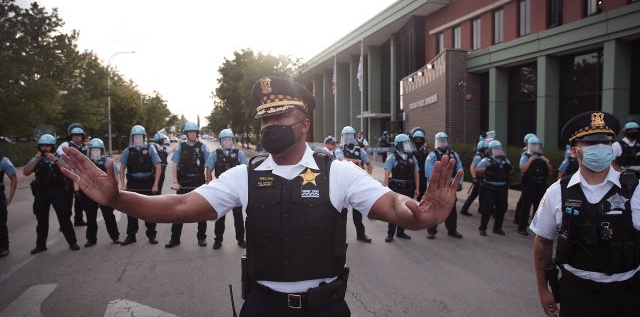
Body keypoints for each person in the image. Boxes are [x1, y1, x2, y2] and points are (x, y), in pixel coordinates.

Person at [61, 76, 462, 316]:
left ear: (303, 123)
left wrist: (422, 215)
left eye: (279, 116)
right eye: (265, 117)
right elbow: (181, 205)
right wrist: (118, 199)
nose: (270, 124)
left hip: (325, 309)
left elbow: (391, 204)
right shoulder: (244, 176)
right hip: (263, 309)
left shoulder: (337, 172)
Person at [531, 111, 640, 317]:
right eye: (590, 143)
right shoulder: (557, 192)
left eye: (606, 142)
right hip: (577, 296)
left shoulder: (635, 190)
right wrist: (543, 289)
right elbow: (542, 243)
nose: (600, 148)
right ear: (574, 151)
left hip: (627, 296)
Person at [23, 134, 80, 254]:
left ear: (52, 147)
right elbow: (25, 172)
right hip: (41, 191)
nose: (45, 148)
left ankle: (72, 242)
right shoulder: (37, 158)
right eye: (43, 146)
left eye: (47, 146)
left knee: (63, 217)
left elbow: (68, 169)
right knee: (41, 219)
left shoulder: (58, 157)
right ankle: (40, 245)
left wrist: (55, 160)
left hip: (57, 190)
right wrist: (36, 161)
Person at [165, 122, 211, 248]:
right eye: (190, 132)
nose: (192, 134)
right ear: (186, 134)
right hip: (183, 182)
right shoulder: (181, 147)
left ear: (197, 133)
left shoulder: (203, 147)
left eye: (194, 132)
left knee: (201, 211)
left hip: (198, 181)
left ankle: (201, 238)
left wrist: (209, 181)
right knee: (179, 212)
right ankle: (175, 239)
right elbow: (174, 165)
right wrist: (175, 182)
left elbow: (209, 165)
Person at [205, 128, 247, 250]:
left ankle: (240, 239)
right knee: (219, 216)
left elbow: (246, 169)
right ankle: (218, 240)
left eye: (229, 139)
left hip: (236, 190)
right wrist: (209, 185)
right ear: (221, 141)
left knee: (238, 217)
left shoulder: (239, 153)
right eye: (224, 140)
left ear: (233, 140)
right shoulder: (215, 154)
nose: (227, 142)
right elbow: (209, 170)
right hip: (221, 190)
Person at [119, 125, 161, 246]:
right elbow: (122, 168)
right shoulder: (128, 150)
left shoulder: (150, 149)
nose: (138, 139)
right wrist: (122, 185)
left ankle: (152, 235)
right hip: (133, 183)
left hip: (147, 183)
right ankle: (131, 236)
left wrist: (155, 184)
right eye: (135, 137)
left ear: (144, 137)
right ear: (132, 138)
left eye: (140, 137)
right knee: (131, 211)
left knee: (150, 211)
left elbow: (158, 166)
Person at [77, 138, 121, 246]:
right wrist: (77, 190)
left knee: (109, 216)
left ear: (102, 151)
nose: (95, 152)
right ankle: (91, 239)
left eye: (98, 150)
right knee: (91, 217)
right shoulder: (85, 162)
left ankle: (115, 236)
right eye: (93, 150)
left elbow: (116, 176)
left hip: (105, 193)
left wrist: (114, 189)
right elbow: (79, 176)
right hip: (90, 193)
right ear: (90, 150)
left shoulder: (107, 161)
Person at [335, 125, 373, 243]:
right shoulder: (338, 150)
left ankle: (361, 235)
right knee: (340, 212)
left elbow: (369, 163)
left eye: (350, 136)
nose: (348, 139)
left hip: (356, 183)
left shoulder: (360, 150)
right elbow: (342, 160)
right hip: (343, 183)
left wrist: (368, 176)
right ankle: (338, 237)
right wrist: (356, 161)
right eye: (346, 136)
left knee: (358, 212)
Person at [425, 132, 464, 239]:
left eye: (444, 141)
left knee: (451, 208)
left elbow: (460, 168)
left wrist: (459, 183)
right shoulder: (432, 155)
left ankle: (452, 230)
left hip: (450, 187)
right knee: (435, 208)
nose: (442, 143)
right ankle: (431, 231)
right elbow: (429, 171)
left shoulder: (454, 155)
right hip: (437, 186)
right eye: (440, 141)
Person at [383, 134, 419, 242]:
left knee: (406, 211)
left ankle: (401, 232)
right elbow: (386, 174)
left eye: (408, 143)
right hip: (396, 187)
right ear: (399, 145)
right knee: (394, 211)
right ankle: (390, 234)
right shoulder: (392, 157)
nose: (407, 146)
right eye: (405, 144)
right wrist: (385, 189)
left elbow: (416, 173)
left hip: (408, 187)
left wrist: (417, 188)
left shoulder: (412, 158)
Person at [517, 135, 553, 236]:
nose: (534, 147)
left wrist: (547, 162)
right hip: (529, 185)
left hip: (540, 185)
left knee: (538, 207)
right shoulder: (526, 155)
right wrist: (530, 160)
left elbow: (550, 173)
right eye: (532, 145)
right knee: (526, 206)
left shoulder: (542, 157)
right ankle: (522, 227)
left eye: (536, 145)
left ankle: (536, 227)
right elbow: (522, 169)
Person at [475, 140, 512, 236]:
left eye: (499, 149)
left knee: (501, 209)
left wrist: (508, 168)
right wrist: (488, 168)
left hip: (502, 188)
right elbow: (477, 170)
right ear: (491, 150)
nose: (498, 151)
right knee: (487, 209)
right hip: (489, 188)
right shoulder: (487, 160)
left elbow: (510, 171)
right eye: (495, 149)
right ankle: (482, 228)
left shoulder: (505, 160)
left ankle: (497, 228)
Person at [57, 123, 88, 226]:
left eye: (79, 135)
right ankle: (65, 224)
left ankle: (78, 219)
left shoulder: (84, 147)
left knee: (79, 200)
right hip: (68, 177)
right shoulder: (65, 146)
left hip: (80, 177)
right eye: (75, 135)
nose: (77, 137)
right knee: (67, 201)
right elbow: (58, 160)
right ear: (71, 135)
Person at [460, 140, 490, 216]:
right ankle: (465, 210)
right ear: (482, 149)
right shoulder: (478, 157)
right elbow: (472, 167)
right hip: (479, 179)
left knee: (477, 195)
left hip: (481, 179)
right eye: (486, 148)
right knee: (477, 195)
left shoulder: (484, 156)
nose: (488, 150)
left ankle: (466, 209)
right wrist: (474, 178)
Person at [513, 132, 538, 225]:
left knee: (523, 200)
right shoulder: (526, 152)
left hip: (533, 180)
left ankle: (518, 217)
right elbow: (522, 166)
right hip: (526, 179)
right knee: (524, 201)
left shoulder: (536, 152)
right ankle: (518, 218)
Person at [0, 154, 18, 257]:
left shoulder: (3, 161)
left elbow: (14, 178)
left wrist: (10, 197)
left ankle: (4, 246)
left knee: (1, 222)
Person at [409, 127, 430, 200]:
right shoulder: (410, 149)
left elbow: (429, 160)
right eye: (416, 139)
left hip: (422, 175)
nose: (418, 141)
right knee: (410, 195)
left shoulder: (425, 149)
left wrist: (427, 149)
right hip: (412, 175)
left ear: (422, 140)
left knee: (421, 196)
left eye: (420, 139)